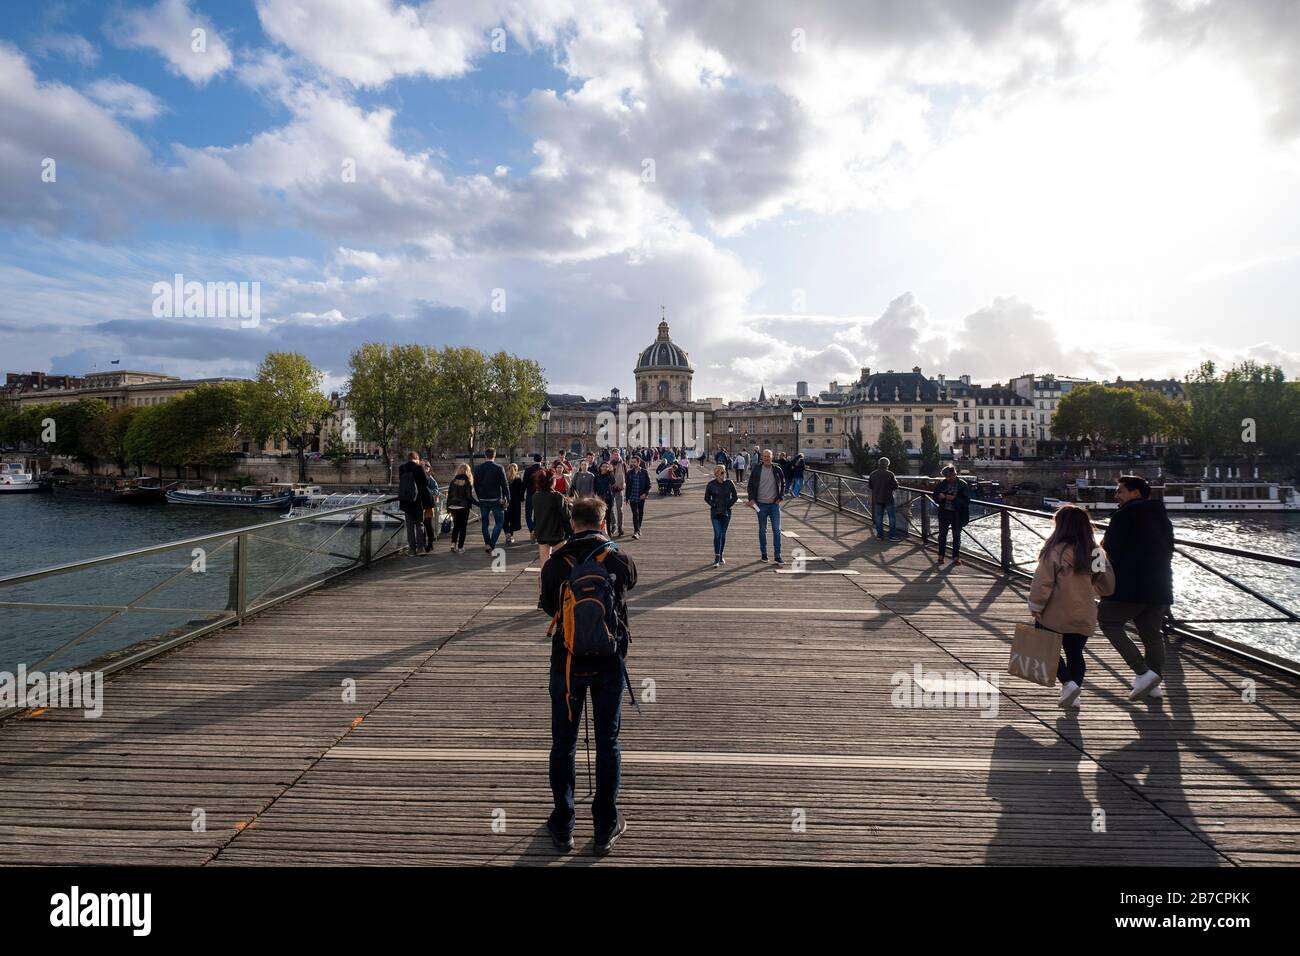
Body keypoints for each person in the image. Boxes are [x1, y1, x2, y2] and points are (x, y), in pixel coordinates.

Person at [539, 496, 637, 855]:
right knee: (608, 742)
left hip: (566, 663)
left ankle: (564, 825)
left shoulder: (555, 562)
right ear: (604, 522)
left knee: (563, 745)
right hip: (609, 664)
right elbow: (630, 588)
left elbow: (549, 606)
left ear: (573, 523)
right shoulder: (617, 558)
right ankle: (604, 826)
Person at [1027, 504, 1116, 708]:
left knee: (1046, 648)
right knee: (1075, 653)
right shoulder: (1095, 552)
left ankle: (1067, 684)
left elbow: (1043, 583)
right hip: (1083, 611)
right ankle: (1074, 693)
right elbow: (1106, 585)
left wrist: (1036, 605)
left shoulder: (1055, 551)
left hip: (1054, 612)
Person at [1099, 475, 1175, 702]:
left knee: (1108, 622)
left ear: (1135, 493)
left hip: (1130, 586)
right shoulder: (1162, 516)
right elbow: (1170, 547)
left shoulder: (1124, 515)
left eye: (1120, 491)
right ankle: (1153, 685)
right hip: (1160, 586)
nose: (1116, 496)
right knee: (1152, 633)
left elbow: (1110, 549)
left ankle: (1143, 672)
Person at [746, 448, 787, 564]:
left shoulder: (777, 469)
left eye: (768, 456)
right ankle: (764, 554)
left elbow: (783, 484)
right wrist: (751, 500)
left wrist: (781, 497)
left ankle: (778, 555)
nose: (766, 458)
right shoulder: (757, 469)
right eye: (764, 456)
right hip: (760, 505)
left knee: (777, 530)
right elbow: (750, 485)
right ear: (762, 457)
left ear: (772, 457)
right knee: (762, 530)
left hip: (774, 505)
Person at [472, 448, 510, 554]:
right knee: (499, 522)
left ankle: (487, 543)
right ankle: (492, 543)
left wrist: (479, 496)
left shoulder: (478, 468)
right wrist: (508, 498)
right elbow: (504, 485)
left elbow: (475, 484)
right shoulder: (499, 468)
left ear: (485, 455)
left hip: (483, 499)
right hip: (496, 499)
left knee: (485, 523)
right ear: (494, 455)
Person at [930, 465, 970, 565]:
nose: (949, 479)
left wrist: (954, 499)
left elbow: (966, 501)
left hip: (957, 514)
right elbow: (935, 496)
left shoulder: (963, 485)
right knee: (942, 535)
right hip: (944, 513)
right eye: (947, 478)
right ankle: (940, 556)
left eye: (950, 477)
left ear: (955, 474)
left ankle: (955, 557)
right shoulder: (943, 483)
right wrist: (940, 497)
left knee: (956, 536)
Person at [532, 469, 571, 566]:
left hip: (541, 532)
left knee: (544, 564)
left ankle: (543, 580)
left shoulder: (535, 496)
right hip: (556, 533)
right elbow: (566, 515)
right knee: (563, 562)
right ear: (552, 482)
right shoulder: (557, 496)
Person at [397, 451, 433, 556]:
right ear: (416, 458)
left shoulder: (402, 468)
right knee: (419, 524)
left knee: (409, 526)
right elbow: (427, 482)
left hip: (405, 501)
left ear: (408, 458)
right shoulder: (418, 468)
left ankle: (412, 549)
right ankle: (420, 549)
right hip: (417, 501)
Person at [704, 464, 738, 567]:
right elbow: (706, 497)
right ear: (716, 474)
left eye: (725, 472)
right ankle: (717, 558)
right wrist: (713, 504)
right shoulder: (711, 484)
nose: (724, 474)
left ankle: (721, 554)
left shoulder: (729, 483)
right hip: (715, 512)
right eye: (722, 472)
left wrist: (729, 504)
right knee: (717, 534)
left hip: (726, 512)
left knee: (723, 534)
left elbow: (735, 496)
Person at [444, 463, 477, 553]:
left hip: (453, 506)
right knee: (463, 527)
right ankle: (460, 547)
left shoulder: (453, 481)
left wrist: (448, 508)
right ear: (468, 471)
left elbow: (449, 496)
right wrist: (478, 504)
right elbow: (469, 497)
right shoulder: (467, 482)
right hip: (463, 507)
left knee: (456, 527)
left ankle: (453, 544)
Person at [867, 457, 900, 541]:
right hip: (888, 498)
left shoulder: (872, 474)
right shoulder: (890, 474)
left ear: (879, 464)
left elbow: (870, 486)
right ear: (887, 465)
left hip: (877, 498)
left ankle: (880, 536)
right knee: (891, 518)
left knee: (878, 517)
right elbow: (896, 486)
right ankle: (892, 536)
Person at [624, 456, 650, 538]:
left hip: (641, 496)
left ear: (638, 462)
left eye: (634, 462)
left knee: (640, 513)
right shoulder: (629, 473)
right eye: (632, 462)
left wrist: (645, 494)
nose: (632, 463)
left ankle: (639, 528)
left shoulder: (644, 472)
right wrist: (626, 498)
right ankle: (636, 531)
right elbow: (627, 486)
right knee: (635, 514)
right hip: (632, 496)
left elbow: (649, 485)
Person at [523, 454, 545, 542]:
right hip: (540, 495)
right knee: (537, 515)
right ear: (541, 459)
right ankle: (536, 532)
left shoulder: (528, 470)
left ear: (533, 459)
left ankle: (532, 530)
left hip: (530, 495)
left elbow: (524, 483)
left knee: (528, 515)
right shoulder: (544, 470)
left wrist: (521, 496)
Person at [421, 460, 440, 553]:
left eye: (427, 466)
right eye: (424, 466)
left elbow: (436, 490)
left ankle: (430, 543)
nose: (426, 468)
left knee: (427, 524)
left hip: (428, 504)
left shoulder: (430, 478)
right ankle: (424, 543)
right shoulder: (420, 477)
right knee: (423, 524)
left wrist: (428, 493)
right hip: (421, 504)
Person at [504, 462, 525, 546]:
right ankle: (510, 534)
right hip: (515, 503)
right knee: (513, 520)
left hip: (506, 502)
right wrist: (522, 499)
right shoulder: (518, 479)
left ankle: (507, 534)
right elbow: (521, 492)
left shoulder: (505, 479)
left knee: (505, 519)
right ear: (516, 470)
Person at [608, 451, 627, 537]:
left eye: (617, 454)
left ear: (619, 455)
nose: (616, 456)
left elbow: (626, 476)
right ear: (612, 455)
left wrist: (623, 485)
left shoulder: (623, 464)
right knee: (611, 508)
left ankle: (620, 527)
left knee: (620, 509)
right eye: (614, 454)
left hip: (619, 489)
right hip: (611, 489)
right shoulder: (609, 464)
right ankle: (614, 524)